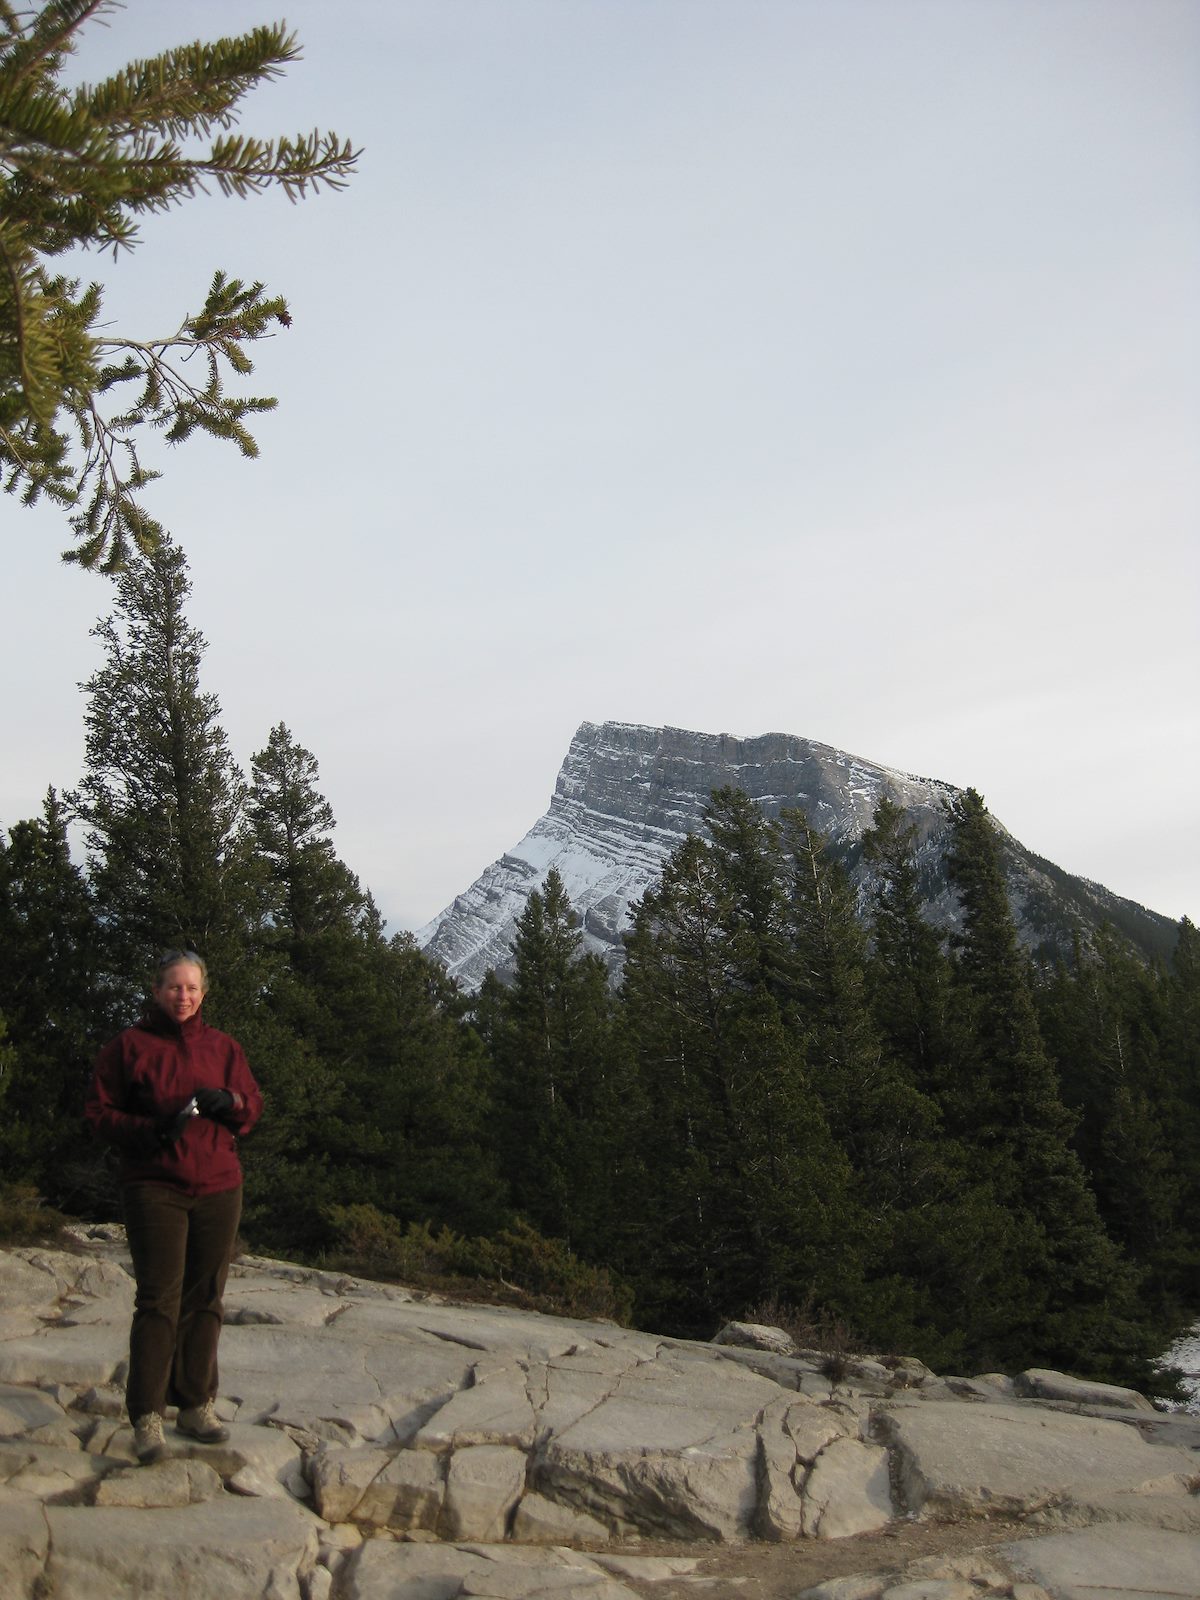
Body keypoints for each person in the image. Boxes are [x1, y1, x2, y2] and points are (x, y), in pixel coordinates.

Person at [85, 950, 262, 1464]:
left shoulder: (224, 1048)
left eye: (191, 988)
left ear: (203, 993)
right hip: (154, 1186)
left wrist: (232, 1103)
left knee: (206, 1297)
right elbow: (99, 1115)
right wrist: (150, 1129)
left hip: (219, 1185)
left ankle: (195, 1403)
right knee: (159, 1300)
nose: (182, 997)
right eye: (173, 987)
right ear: (157, 990)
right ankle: (146, 1416)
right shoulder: (128, 1048)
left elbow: (252, 1104)